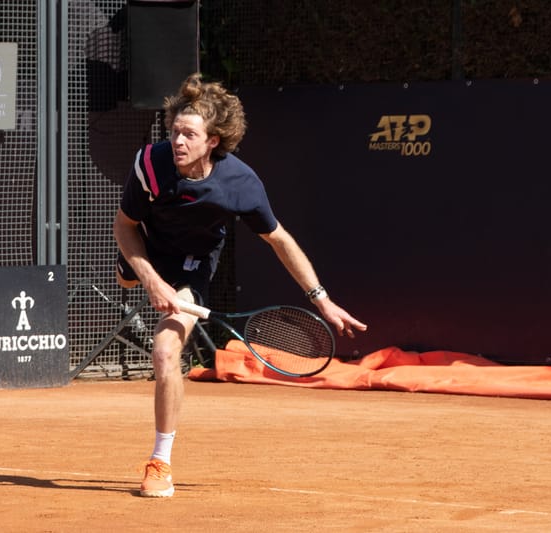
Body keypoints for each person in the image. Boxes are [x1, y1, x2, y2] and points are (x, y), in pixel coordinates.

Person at [113, 73, 367, 498]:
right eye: (174, 131)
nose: (177, 141)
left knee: (165, 351)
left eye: (189, 135)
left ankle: (160, 461)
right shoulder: (151, 165)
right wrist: (152, 279)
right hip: (147, 244)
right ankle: (135, 272)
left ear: (213, 141)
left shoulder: (240, 183)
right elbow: (124, 225)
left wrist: (322, 300)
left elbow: (279, 239)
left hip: (192, 265)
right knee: (127, 275)